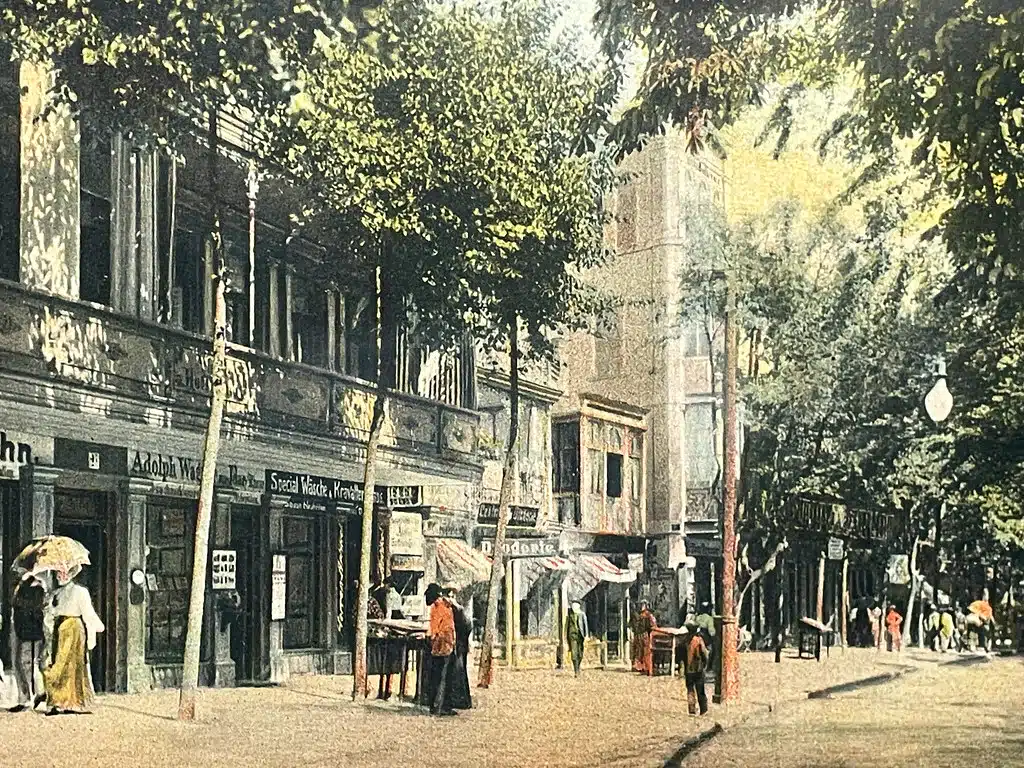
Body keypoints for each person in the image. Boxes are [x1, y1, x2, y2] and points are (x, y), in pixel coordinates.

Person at [43, 566, 104, 715]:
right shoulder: (55, 593)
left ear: (71, 574)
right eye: (59, 572)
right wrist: (49, 607)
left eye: (65, 572)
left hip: (74, 629)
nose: (61, 576)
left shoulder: (80, 592)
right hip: (60, 629)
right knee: (59, 663)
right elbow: (50, 614)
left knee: (73, 664)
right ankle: (57, 701)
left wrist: (97, 626)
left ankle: (73, 702)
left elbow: (88, 612)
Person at [8, 572, 49, 713]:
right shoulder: (18, 584)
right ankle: (25, 697)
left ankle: (36, 694)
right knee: (18, 663)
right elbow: (13, 602)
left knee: (29, 663)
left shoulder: (39, 586)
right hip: (19, 627)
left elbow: (34, 607)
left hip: (31, 630)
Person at [424, 583, 457, 716]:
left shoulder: (440, 608)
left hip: (442, 645)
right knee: (443, 677)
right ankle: (440, 707)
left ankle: (437, 706)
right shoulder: (442, 607)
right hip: (445, 645)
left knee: (438, 677)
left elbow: (435, 629)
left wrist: (431, 637)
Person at [446, 589, 472, 710]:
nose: (450, 599)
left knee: (459, 671)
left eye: (452, 596)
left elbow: (467, 627)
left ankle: (461, 701)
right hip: (452, 644)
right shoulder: (448, 610)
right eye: (448, 596)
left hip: (460, 645)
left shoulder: (459, 610)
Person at [683, 623, 710, 716]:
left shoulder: (685, 640)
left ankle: (691, 709)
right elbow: (705, 653)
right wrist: (706, 664)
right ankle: (703, 710)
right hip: (698, 668)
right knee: (700, 690)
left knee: (690, 690)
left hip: (688, 670)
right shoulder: (698, 640)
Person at [631, 601, 657, 675]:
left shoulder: (640, 615)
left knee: (640, 651)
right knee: (643, 651)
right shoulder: (646, 615)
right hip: (643, 635)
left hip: (639, 635)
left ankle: (641, 666)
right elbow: (653, 625)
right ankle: (643, 667)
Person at [566, 600, 589, 678]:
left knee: (580, 653)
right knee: (574, 653)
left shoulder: (582, 614)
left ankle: (578, 666)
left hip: (580, 636)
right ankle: (576, 670)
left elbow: (585, 625)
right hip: (572, 636)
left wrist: (586, 635)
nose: (573, 607)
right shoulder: (570, 615)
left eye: (575, 605)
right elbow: (567, 626)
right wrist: (566, 636)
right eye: (572, 605)